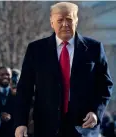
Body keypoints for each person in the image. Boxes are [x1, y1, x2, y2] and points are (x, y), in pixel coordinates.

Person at [14, 2, 113, 137]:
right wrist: (21, 123)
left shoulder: (94, 49)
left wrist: (96, 112)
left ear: (76, 21)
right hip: (46, 127)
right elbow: (24, 89)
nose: (65, 24)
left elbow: (105, 85)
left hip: (83, 127)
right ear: (52, 22)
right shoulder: (36, 50)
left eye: (69, 19)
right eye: (60, 20)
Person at [0, 67, 16, 137]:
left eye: (8, 74)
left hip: (13, 133)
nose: (5, 76)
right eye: (2, 74)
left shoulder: (18, 95)